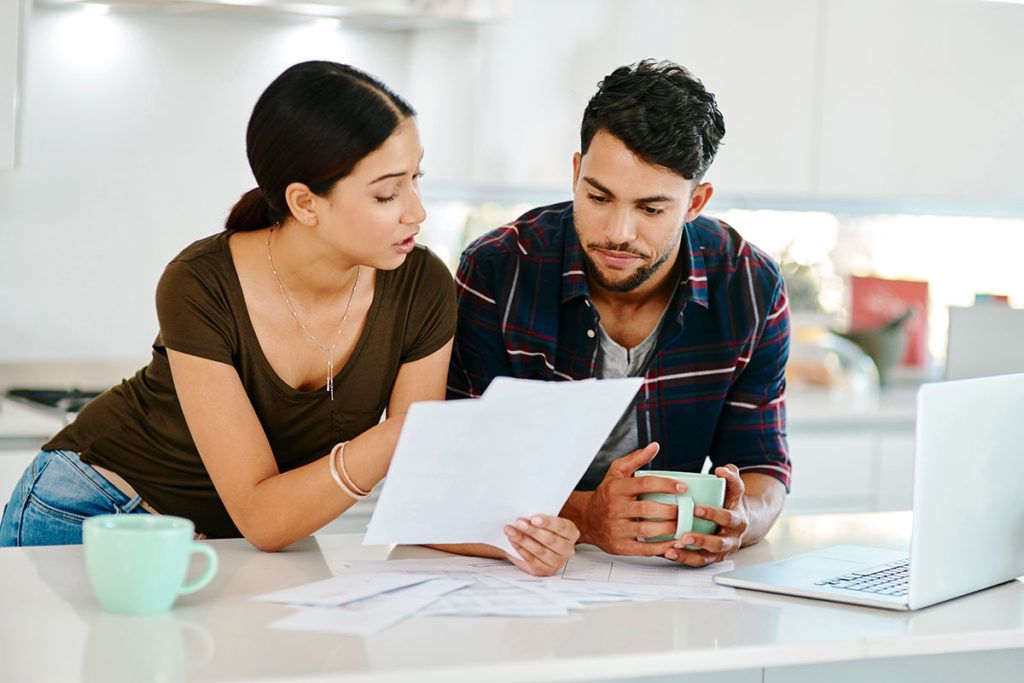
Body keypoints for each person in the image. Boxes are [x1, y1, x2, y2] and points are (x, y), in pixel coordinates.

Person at [0, 61, 577, 576]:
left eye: (416, 179)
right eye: (386, 194)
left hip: (220, 549)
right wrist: (406, 435)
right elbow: (264, 517)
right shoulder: (200, 283)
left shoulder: (420, 283)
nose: (417, 211)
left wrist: (512, 539)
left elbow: (414, 490)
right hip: (98, 515)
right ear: (305, 203)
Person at [447, 60, 791, 568]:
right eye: (598, 196)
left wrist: (742, 524)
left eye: (651, 209)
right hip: (520, 566)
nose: (618, 232)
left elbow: (762, 468)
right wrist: (586, 516)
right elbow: (455, 471)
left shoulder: (750, 286)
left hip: (663, 578)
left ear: (695, 202)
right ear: (575, 173)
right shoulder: (499, 270)